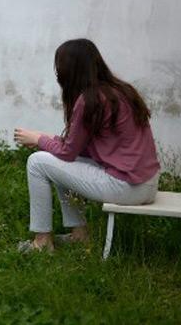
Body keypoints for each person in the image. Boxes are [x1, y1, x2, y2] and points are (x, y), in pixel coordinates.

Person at [14, 38, 160, 252]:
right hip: (147, 185)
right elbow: (77, 149)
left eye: (59, 67)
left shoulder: (90, 99)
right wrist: (48, 140)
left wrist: (38, 140)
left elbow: (67, 153)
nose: (57, 74)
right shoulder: (120, 91)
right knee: (54, 163)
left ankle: (42, 242)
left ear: (71, 70)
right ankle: (79, 235)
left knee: (37, 162)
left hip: (126, 187)